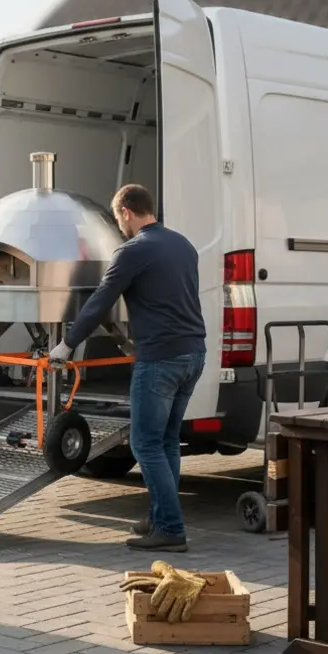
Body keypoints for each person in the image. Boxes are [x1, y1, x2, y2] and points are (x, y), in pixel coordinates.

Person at [49, 184, 207, 552]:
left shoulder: (133, 251)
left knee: (144, 443)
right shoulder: (183, 245)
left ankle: (170, 529)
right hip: (193, 354)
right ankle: (160, 516)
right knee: (166, 441)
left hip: (160, 359)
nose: (120, 225)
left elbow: (99, 302)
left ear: (126, 212)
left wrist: (67, 344)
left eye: (118, 218)